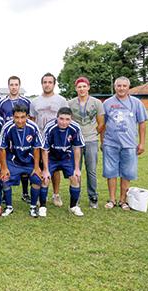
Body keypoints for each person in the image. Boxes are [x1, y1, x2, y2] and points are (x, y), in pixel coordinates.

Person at [102, 76, 148, 210]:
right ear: (114, 87)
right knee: (111, 172)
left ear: (128, 87)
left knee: (127, 173)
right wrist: (103, 141)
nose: (121, 88)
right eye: (118, 86)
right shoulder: (107, 103)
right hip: (111, 144)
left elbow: (142, 123)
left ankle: (123, 200)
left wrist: (142, 143)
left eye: (124, 86)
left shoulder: (136, 103)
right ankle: (111, 200)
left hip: (129, 145)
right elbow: (102, 124)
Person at [30, 72, 69, 207]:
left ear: (54, 84)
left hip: (56, 140)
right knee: (41, 167)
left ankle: (56, 194)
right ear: (42, 84)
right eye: (45, 82)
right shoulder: (35, 101)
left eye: (50, 82)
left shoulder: (62, 100)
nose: (47, 85)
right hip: (40, 139)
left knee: (55, 168)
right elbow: (32, 121)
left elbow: (67, 119)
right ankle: (43, 194)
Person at [0, 105, 43, 217]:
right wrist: (4, 168)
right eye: (17, 117)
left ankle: (33, 207)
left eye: (23, 117)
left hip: (29, 161)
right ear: (12, 117)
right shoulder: (7, 127)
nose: (20, 120)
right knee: (4, 178)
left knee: (37, 179)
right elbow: (2, 148)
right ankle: (9, 207)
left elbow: (37, 148)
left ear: (27, 116)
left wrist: (37, 167)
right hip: (14, 160)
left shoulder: (33, 127)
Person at [41, 107, 85, 217]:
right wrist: (45, 170)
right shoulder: (50, 127)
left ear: (71, 119)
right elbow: (45, 150)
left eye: (67, 119)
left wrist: (77, 168)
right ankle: (42, 206)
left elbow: (77, 148)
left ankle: (73, 206)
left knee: (75, 178)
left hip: (66, 157)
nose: (64, 122)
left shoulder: (75, 128)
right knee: (45, 179)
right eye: (61, 119)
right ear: (57, 118)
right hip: (52, 157)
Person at [68, 77, 104, 208]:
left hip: (91, 140)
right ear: (76, 88)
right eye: (79, 87)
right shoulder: (70, 103)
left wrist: (94, 135)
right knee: (75, 170)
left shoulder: (97, 102)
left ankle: (93, 197)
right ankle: (75, 197)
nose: (82, 89)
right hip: (76, 142)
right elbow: (68, 122)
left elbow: (101, 123)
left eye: (84, 86)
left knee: (91, 170)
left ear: (88, 87)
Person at [0, 75, 32, 203]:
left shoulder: (26, 102)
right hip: (8, 139)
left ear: (19, 86)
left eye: (16, 85)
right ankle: (6, 195)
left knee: (25, 164)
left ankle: (25, 192)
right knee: (7, 165)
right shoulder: (1, 102)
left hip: (23, 139)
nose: (14, 87)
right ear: (8, 86)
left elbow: (30, 120)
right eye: (11, 85)